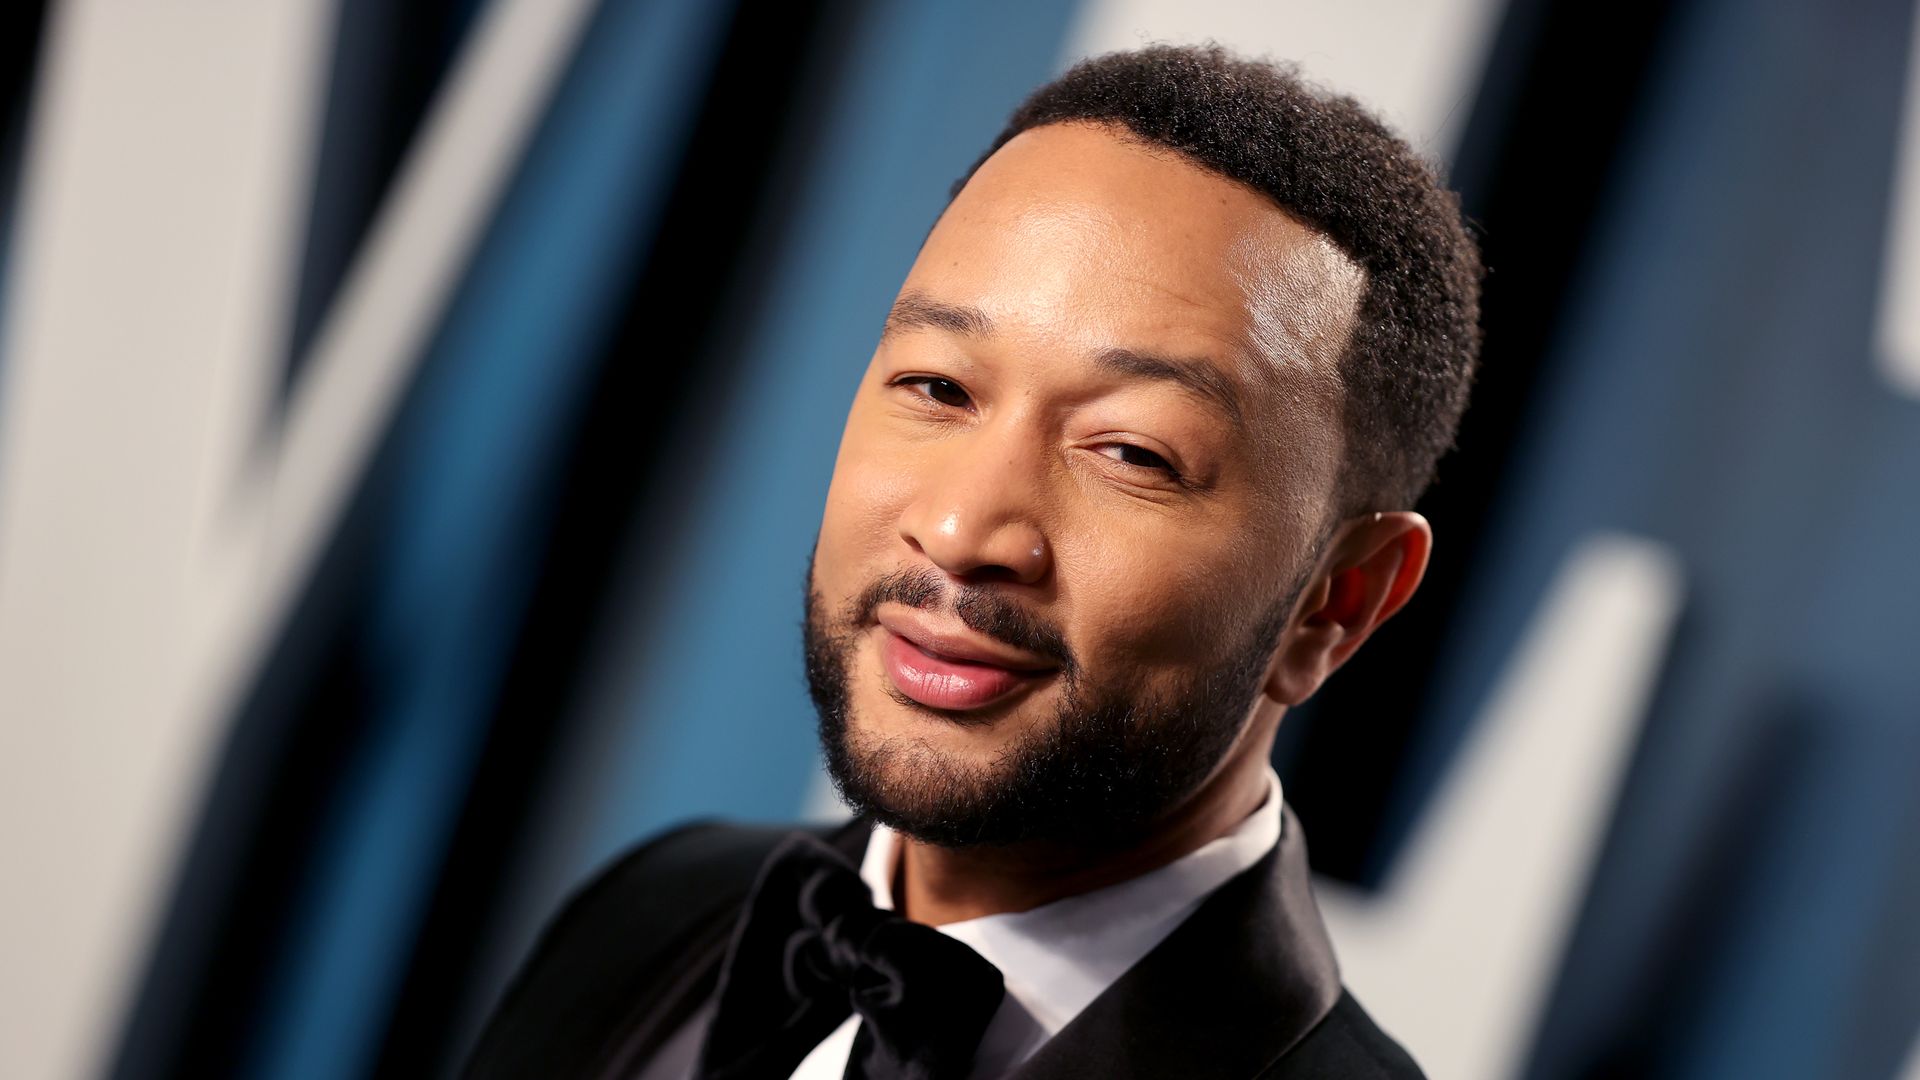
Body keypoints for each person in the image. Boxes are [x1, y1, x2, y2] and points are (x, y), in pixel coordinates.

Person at [463, 41, 1481, 1080]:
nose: (959, 531)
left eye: (1132, 453)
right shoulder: (652, 911)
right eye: (939, 388)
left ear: (1336, 602)